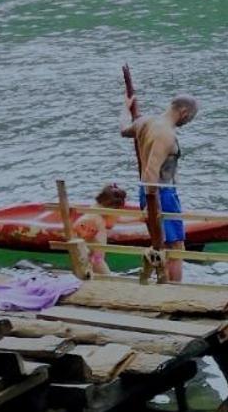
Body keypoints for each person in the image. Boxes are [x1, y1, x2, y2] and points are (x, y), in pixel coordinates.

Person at [122, 92, 198, 282]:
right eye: (190, 117)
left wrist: (125, 108)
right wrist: (152, 204)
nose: (188, 122)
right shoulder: (166, 134)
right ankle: (173, 290)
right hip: (160, 193)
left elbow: (124, 130)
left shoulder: (145, 122)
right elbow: (151, 171)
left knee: (162, 244)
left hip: (148, 191)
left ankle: (164, 282)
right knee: (175, 247)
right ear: (184, 112)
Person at [70, 182, 128, 276]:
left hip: (95, 255)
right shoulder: (94, 218)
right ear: (112, 208)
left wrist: (138, 218)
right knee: (106, 276)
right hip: (95, 257)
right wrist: (84, 234)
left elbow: (115, 220)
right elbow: (77, 225)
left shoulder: (98, 211)